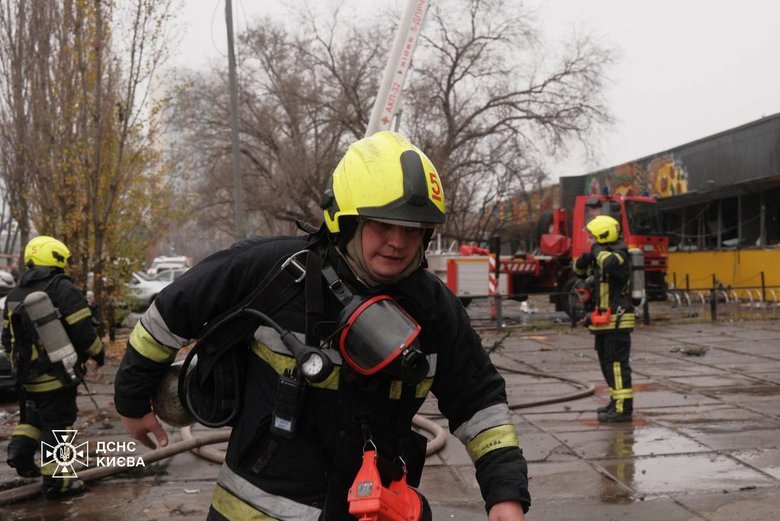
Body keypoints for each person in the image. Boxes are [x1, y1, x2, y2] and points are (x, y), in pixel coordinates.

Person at [115, 131, 531, 520]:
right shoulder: (272, 272)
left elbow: (480, 402)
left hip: (371, 508)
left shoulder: (435, 310)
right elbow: (167, 314)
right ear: (346, 221)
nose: (398, 242)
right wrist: (132, 401)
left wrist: (505, 494)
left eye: (413, 229)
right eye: (382, 224)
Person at [2, 235, 105, 498]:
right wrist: (98, 353)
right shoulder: (62, 288)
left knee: (34, 418)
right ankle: (59, 482)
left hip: (27, 377)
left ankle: (19, 451)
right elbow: (83, 330)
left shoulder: (14, 294)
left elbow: (7, 338)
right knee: (60, 426)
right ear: (56, 259)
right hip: (57, 376)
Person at [573, 215, 636, 423]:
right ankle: (614, 401)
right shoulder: (598, 255)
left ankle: (623, 409)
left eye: (592, 237)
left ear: (602, 235)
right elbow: (578, 270)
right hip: (603, 321)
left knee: (617, 365)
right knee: (606, 364)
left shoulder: (619, 255)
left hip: (618, 321)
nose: (589, 240)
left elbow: (609, 263)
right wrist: (583, 261)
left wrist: (596, 251)